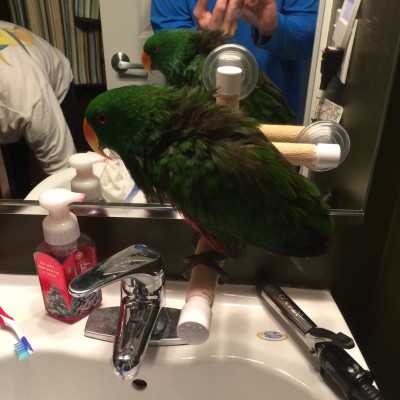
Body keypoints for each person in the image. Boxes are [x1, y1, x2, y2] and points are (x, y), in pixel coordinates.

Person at [150, 0, 319, 117]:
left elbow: (312, 36)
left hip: (273, 116)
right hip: (197, 119)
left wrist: (274, 27)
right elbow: (165, 49)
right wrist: (203, 41)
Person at [0, 20, 77, 196]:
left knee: (53, 182)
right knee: (19, 179)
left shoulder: (26, 101)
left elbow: (64, 174)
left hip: (51, 85)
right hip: (19, 93)